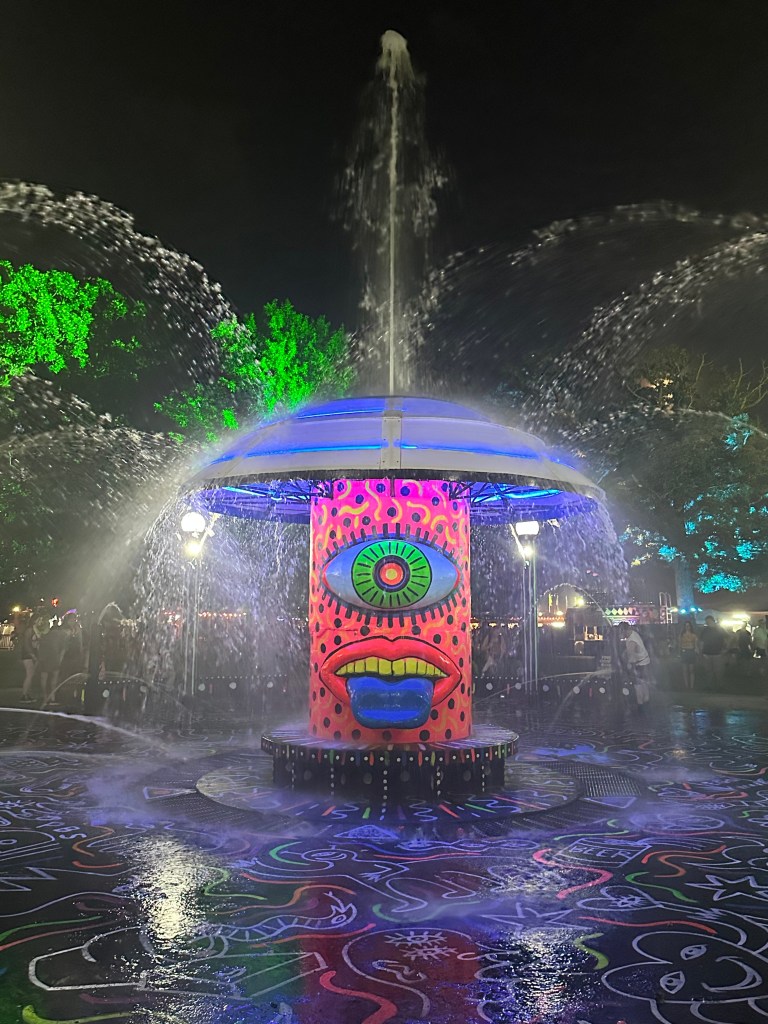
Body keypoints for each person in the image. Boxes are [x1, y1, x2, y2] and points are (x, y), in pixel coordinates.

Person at [618, 621, 652, 707]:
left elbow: (632, 657)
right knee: (644, 683)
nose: (620, 635)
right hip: (645, 661)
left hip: (639, 664)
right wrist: (625, 653)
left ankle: (640, 704)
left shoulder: (631, 641)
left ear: (624, 630)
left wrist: (629, 667)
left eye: (620, 632)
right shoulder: (633, 633)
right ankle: (646, 702)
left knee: (638, 685)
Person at [699, 615, 728, 686]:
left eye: (708, 621)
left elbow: (727, 638)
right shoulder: (705, 630)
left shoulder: (719, 629)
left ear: (712, 621)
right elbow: (701, 642)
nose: (707, 623)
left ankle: (719, 685)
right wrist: (701, 652)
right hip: (707, 653)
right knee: (708, 671)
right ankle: (710, 685)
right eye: (707, 622)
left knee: (718, 671)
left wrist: (725, 649)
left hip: (717, 653)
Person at [15, 617, 38, 701]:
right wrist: (32, 654)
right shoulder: (29, 630)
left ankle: (27, 693)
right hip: (28, 654)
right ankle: (24, 695)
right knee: (29, 674)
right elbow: (26, 643)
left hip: (31, 653)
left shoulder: (34, 629)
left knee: (31, 675)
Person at [679, 620, 698, 690]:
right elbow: (679, 645)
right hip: (684, 652)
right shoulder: (681, 635)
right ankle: (686, 685)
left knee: (691, 670)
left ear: (690, 627)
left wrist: (697, 652)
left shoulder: (694, 635)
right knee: (685, 670)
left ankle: (692, 686)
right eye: (686, 626)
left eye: (688, 626)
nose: (687, 627)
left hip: (691, 651)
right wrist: (679, 653)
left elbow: (696, 645)